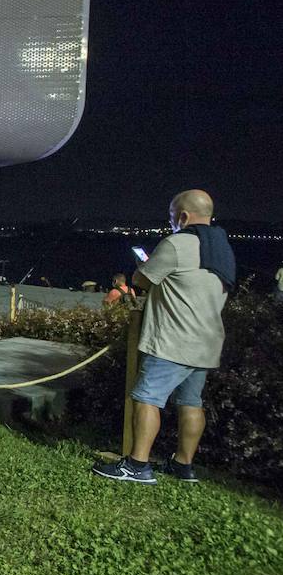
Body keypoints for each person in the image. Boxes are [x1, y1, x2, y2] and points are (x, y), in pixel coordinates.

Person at [94, 190, 235, 485]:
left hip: (174, 340)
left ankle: (137, 466)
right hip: (207, 340)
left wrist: (144, 264)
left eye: (172, 217)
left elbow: (142, 279)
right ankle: (184, 466)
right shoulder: (222, 248)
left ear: (182, 216)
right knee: (191, 402)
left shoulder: (178, 243)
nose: (171, 223)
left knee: (147, 397)